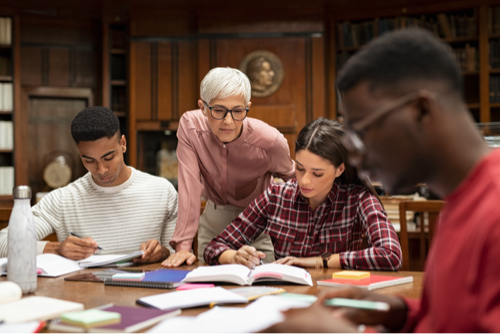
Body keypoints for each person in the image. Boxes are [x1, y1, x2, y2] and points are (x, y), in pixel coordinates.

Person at [262, 28, 500, 333]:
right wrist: (397, 311)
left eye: (363, 131)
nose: (356, 156)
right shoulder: (460, 201)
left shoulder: (492, 210)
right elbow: (452, 318)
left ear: (421, 110)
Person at [204, 118, 402, 271]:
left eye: (317, 173)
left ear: (340, 169)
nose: (305, 181)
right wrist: (233, 256)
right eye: (300, 169)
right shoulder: (276, 196)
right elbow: (215, 246)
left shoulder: (358, 199)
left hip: (335, 297)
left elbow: (391, 255)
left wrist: (319, 262)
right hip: (286, 297)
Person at [0, 106, 177, 263]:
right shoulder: (64, 199)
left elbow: (181, 256)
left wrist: (162, 253)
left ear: (123, 144)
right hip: (83, 295)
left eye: (108, 158)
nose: (101, 170)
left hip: (145, 294)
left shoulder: (162, 191)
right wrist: (57, 249)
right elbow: (4, 243)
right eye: (89, 160)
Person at [163, 67, 295, 267]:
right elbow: (189, 187)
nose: (228, 121)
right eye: (218, 110)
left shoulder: (271, 141)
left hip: (259, 225)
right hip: (213, 222)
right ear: (203, 107)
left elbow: (296, 182)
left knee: (263, 287)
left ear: (247, 107)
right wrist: (183, 247)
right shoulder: (190, 127)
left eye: (238, 111)